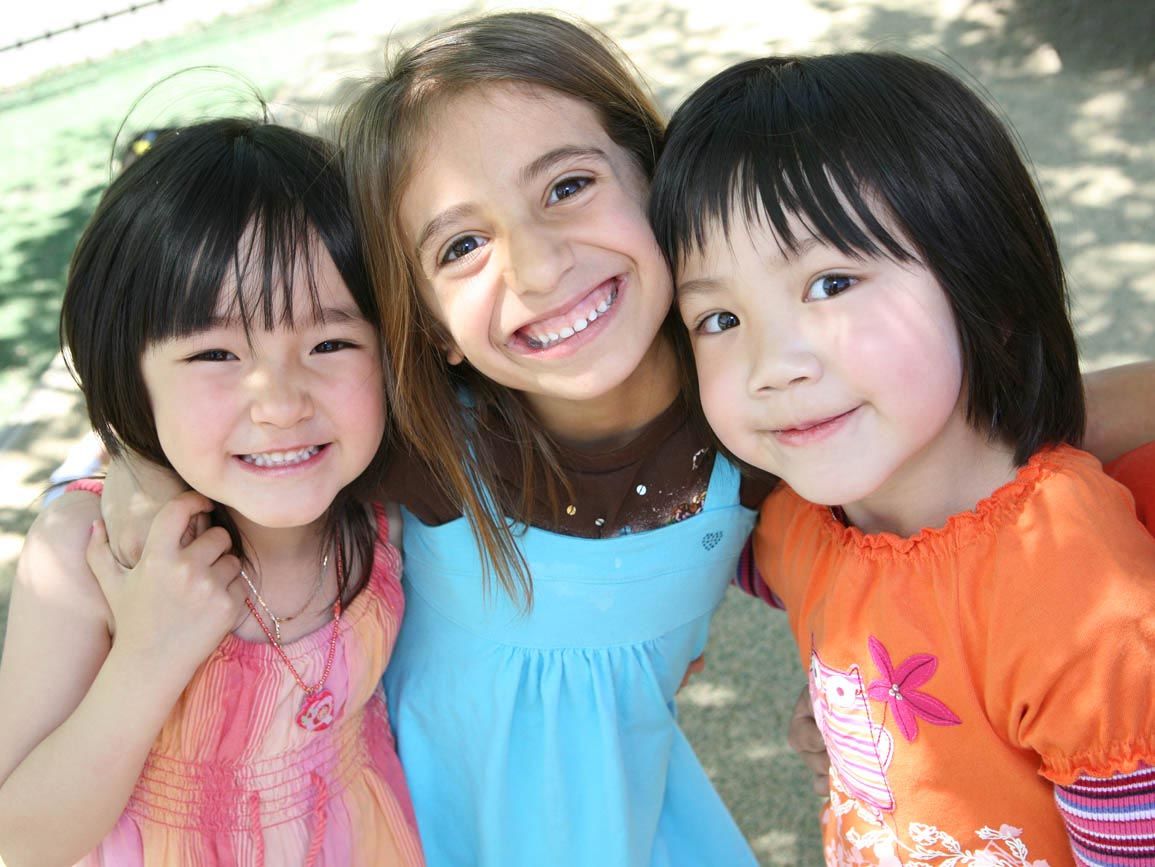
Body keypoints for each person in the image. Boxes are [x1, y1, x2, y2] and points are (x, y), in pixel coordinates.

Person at [85, 14, 1155, 866]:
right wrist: (136, 480)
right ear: (428, 324)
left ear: (657, 189)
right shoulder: (420, 440)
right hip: (427, 835)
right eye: (461, 245)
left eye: (568, 186)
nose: (538, 265)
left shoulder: (757, 416)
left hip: (633, 828)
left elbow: (989, 439)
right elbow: (227, 427)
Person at [650, 52, 1155, 866]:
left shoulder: (1080, 595)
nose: (771, 364)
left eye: (830, 283)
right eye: (718, 319)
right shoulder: (795, 524)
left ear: (988, 291)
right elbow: (664, 542)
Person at [0, 119, 424, 867]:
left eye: (329, 343)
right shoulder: (91, 556)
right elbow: (20, 839)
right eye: (216, 353)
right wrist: (147, 657)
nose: (280, 403)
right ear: (130, 371)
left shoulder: (382, 508)